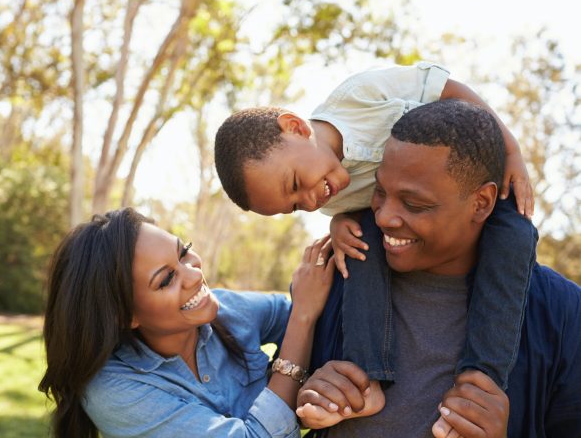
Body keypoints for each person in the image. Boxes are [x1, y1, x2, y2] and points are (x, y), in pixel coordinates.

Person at [214, 62, 537, 425]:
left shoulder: (359, 96)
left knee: (517, 236)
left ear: (296, 127)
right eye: (292, 206)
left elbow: (450, 90)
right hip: (403, 222)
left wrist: (510, 150)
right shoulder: (330, 196)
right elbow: (359, 210)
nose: (308, 202)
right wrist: (339, 223)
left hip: (468, 186)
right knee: (359, 248)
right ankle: (365, 376)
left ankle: (480, 383)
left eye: (294, 184)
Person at [295, 100, 581, 437]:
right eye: (380, 191)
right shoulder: (340, 274)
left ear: (482, 203)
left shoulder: (561, 313)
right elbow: (277, 396)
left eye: (415, 204)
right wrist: (309, 399)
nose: (384, 217)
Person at [38, 208, 337, 437]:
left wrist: (342, 227)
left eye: (183, 252)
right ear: (125, 315)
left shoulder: (228, 311)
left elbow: (323, 316)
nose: (194, 275)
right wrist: (302, 319)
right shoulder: (114, 391)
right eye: (167, 279)